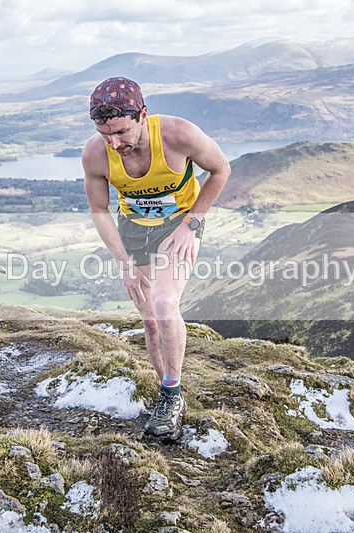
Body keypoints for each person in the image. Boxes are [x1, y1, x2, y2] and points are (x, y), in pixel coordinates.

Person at [82, 77, 231, 441]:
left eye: (120, 132)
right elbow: (99, 209)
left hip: (177, 226)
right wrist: (123, 262)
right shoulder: (95, 154)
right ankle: (167, 388)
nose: (114, 144)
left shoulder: (179, 135)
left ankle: (172, 394)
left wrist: (192, 222)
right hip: (133, 231)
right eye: (105, 135)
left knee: (165, 304)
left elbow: (220, 170)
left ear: (142, 115)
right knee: (149, 321)